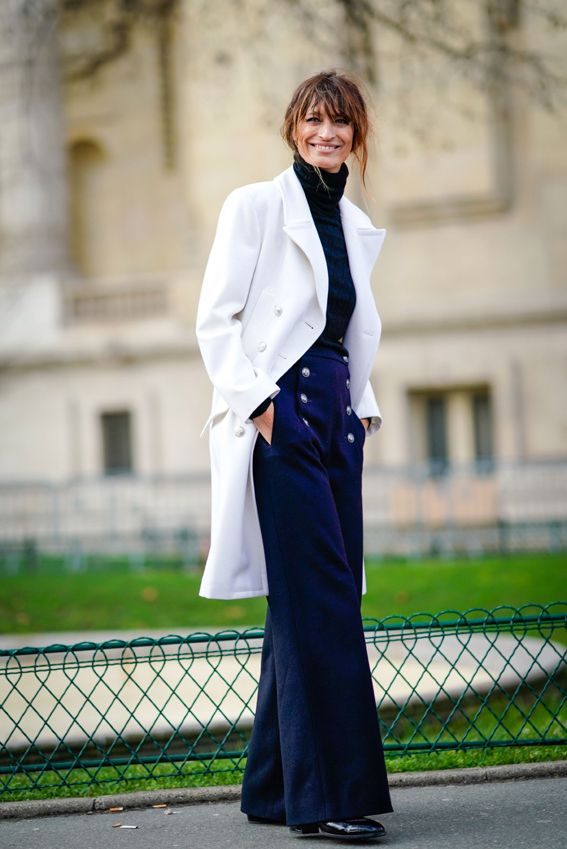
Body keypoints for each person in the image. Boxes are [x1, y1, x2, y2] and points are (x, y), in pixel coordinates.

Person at [196, 69, 393, 840]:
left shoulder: (353, 219)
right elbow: (216, 319)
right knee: (320, 606)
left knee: (317, 599)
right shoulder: (253, 206)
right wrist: (261, 406)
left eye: (340, 122)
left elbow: (348, 330)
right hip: (281, 417)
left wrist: (362, 410)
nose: (326, 133)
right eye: (313, 119)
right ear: (291, 127)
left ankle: (276, 787)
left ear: (356, 134)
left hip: (337, 418)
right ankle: (333, 796)